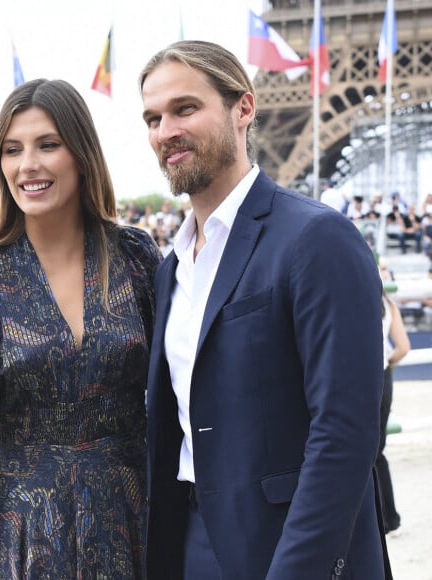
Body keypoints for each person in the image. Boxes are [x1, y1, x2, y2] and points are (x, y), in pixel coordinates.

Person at [139, 40, 391, 579]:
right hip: (191, 547)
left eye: (185, 108)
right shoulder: (169, 268)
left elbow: (344, 434)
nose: (166, 131)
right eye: (153, 118)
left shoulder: (317, 238)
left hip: (291, 551)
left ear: (244, 108)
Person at [0, 78, 161, 579]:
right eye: (12, 149)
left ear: (82, 153)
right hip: (24, 532)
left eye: (48, 144)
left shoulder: (135, 257)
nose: (28, 165)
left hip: (134, 522)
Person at [379, 289, 411, 537]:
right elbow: (403, 347)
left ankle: (384, 518)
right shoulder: (388, 303)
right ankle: (390, 518)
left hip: (364, 378)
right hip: (384, 375)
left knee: (369, 455)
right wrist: (387, 360)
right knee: (378, 453)